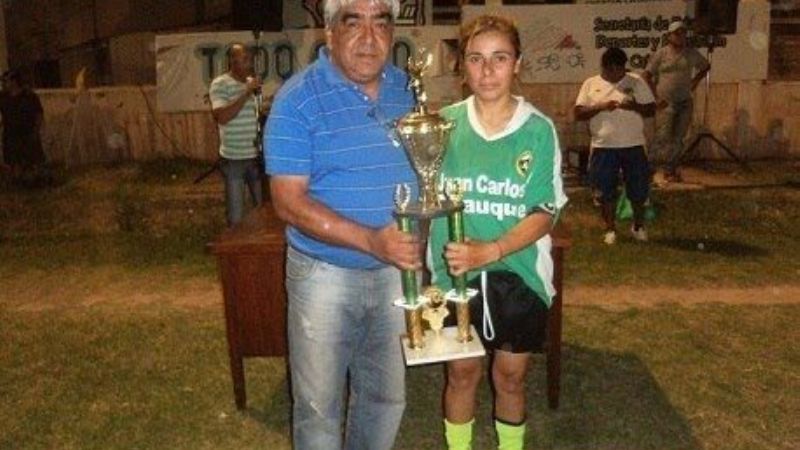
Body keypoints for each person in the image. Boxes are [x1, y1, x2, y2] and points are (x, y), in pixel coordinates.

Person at [263, 1, 419, 449]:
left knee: (387, 397)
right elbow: (287, 202)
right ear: (329, 32)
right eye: (354, 22)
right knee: (317, 409)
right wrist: (372, 240)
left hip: (396, 272)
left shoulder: (409, 89)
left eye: (381, 22)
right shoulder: (298, 98)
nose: (369, 37)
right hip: (324, 276)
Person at [429, 15, 568, 450]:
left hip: (520, 276)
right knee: (462, 373)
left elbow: (545, 212)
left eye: (499, 58)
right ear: (462, 67)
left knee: (510, 378)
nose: (487, 71)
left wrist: (493, 250)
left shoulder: (538, 130)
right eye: (476, 59)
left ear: (517, 64)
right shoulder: (441, 127)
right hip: (456, 278)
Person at [574, 47, 656, 244]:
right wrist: (600, 107)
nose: (614, 75)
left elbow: (651, 110)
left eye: (619, 70)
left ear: (623, 68)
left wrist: (634, 106)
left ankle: (638, 226)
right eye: (610, 70)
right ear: (604, 67)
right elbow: (578, 113)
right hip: (604, 146)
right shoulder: (591, 83)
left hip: (633, 145)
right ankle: (610, 229)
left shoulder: (636, 82)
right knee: (604, 190)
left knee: (638, 189)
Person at [642, 20, 710, 183]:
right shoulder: (661, 53)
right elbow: (646, 76)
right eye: (677, 33)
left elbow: (706, 66)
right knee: (661, 137)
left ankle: (670, 170)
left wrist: (695, 81)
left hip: (685, 102)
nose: (680, 36)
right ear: (669, 36)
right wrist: (656, 98)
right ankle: (648, 170)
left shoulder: (691, 53)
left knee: (679, 138)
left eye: (683, 33)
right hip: (666, 103)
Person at [209, 43, 263, 225]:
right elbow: (222, 116)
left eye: (251, 59)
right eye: (245, 59)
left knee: (264, 211)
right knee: (236, 216)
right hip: (234, 159)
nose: (250, 63)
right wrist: (246, 93)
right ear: (233, 61)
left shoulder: (252, 83)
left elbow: (256, 114)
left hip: (256, 157)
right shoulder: (220, 84)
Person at [0, 70, 46, 185]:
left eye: (6, 81)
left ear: (14, 81)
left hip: (27, 133)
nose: (3, 84)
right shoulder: (3, 97)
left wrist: (36, 130)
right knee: (15, 165)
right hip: (11, 135)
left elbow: (39, 113)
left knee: (33, 162)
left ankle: (35, 177)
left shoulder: (29, 96)